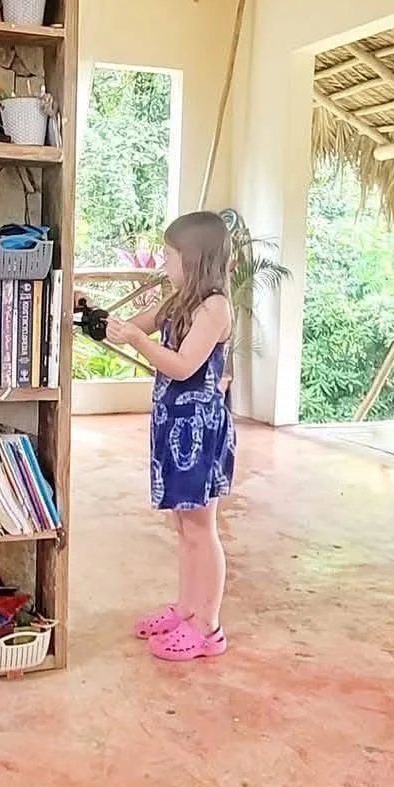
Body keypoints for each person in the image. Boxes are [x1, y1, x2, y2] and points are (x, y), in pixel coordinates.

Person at [106, 210, 235, 662]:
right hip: (171, 424)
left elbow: (182, 365)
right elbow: (140, 325)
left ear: (194, 258)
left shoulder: (214, 308)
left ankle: (209, 626)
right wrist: (115, 326)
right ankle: (186, 609)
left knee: (202, 528)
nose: (165, 262)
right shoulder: (179, 300)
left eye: (171, 254)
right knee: (183, 526)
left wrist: (138, 343)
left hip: (198, 431)